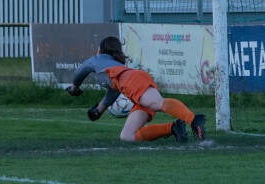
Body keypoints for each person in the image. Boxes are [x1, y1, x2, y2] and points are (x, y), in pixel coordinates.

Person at [66, 36, 205, 142]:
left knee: (158, 103)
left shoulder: (97, 59)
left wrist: (73, 89)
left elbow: (81, 71)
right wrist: (99, 110)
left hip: (134, 81)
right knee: (127, 136)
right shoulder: (114, 69)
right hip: (133, 84)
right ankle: (174, 128)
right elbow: (114, 92)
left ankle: (193, 120)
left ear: (100, 50)